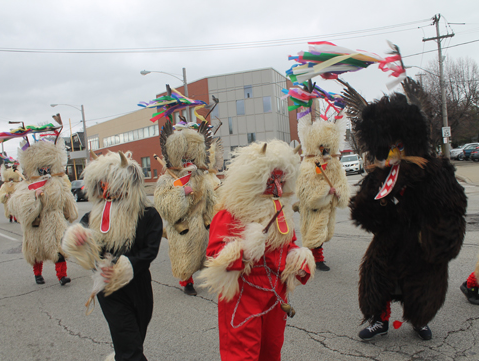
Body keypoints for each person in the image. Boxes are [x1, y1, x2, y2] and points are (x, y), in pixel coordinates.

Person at [344, 78, 467, 341]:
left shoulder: (435, 171)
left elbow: (452, 210)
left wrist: (436, 238)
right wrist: (380, 198)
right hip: (388, 241)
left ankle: (420, 320)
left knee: (422, 284)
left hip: (420, 243)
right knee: (380, 279)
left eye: (399, 145)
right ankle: (380, 320)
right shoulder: (381, 174)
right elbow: (363, 214)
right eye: (390, 146)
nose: (394, 151)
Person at [200, 140, 314, 361]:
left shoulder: (282, 209)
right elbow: (214, 254)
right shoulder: (230, 213)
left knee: (272, 351)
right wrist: (243, 252)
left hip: (275, 294)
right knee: (242, 354)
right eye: (272, 181)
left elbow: (287, 244)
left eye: (281, 180)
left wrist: (297, 259)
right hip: (244, 295)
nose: (278, 188)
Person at [63, 151, 162, 361]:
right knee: (130, 347)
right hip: (109, 288)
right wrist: (79, 240)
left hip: (139, 285)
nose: (107, 187)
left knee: (134, 337)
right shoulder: (93, 216)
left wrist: (125, 267)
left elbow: (150, 250)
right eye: (104, 183)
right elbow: (85, 247)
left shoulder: (147, 214)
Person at [154, 120, 216, 296]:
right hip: (183, 225)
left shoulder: (199, 176)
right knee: (184, 255)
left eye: (190, 158)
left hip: (201, 224)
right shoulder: (167, 179)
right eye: (184, 158)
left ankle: (206, 276)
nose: (188, 161)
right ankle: (187, 281)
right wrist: (181, 192)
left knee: (204, 252)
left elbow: (211, 200)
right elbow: (163, 204)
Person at [9, 137, 78, 285]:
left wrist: (69, 211)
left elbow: (66, 198)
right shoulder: (27, 184)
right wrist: (33, 197)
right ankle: (38, 274)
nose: (45, 170)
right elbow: (16, 204)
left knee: (59, 250)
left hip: (55, 222)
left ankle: (62, 276)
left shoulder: (57, 183)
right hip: (37, 224)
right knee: (36, 252)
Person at [294, 111, 349, 271]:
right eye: (322, 148)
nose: (325, 151)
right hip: (315, 206)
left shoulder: (333, 164)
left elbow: (341, 184)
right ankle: (314, 260)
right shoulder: (309, 164)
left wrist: (338, 192)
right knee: (312, 232)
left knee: (322, 234)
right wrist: (326, 191)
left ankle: (314, 258)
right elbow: (305, 190)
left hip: (328, 207)